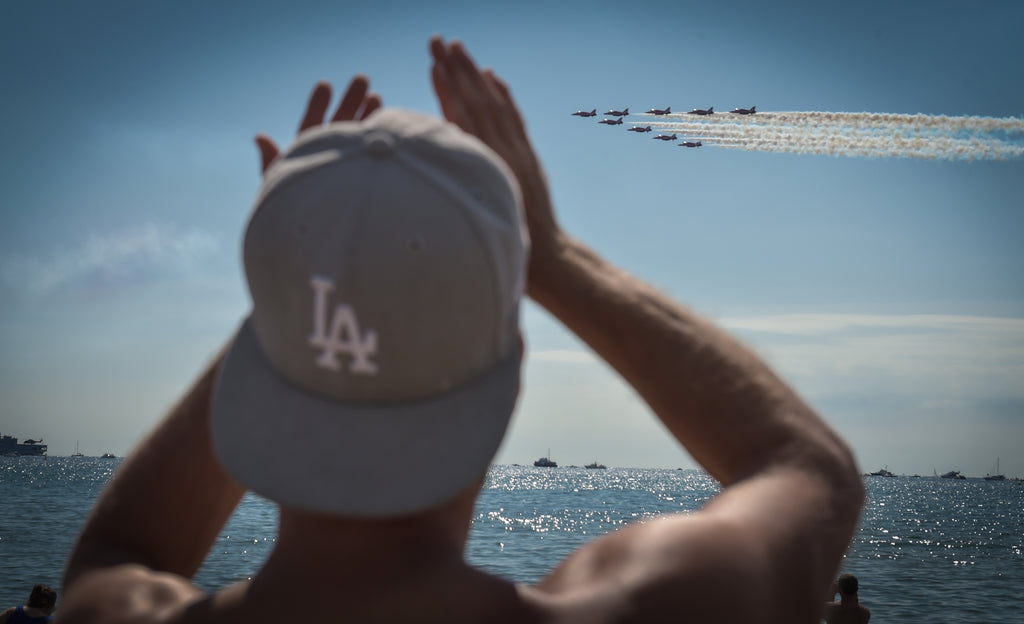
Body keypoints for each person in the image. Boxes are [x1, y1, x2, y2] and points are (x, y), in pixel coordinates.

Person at [56, 36, 864, 623]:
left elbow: (121, 548)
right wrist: (552, 258)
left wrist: (306, 263)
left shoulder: (111, 611)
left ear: (260, 379)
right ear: (511, 366)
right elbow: (807, 470)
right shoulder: (657, 604)